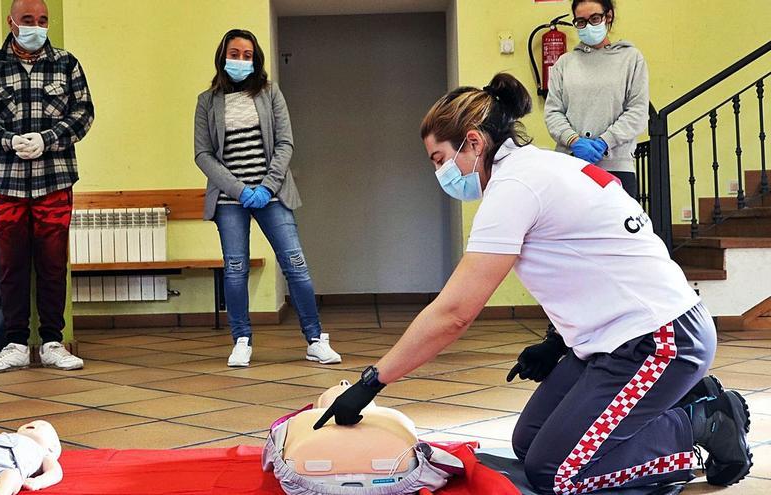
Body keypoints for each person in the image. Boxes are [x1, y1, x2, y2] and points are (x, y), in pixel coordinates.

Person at [314, 74, 751, 493]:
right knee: (531, 442)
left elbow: (453, 313)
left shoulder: (515, 187)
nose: (441, 173)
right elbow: (590, 263)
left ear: (472, 141)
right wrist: (556, 342)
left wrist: (371, 383)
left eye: (440, 159)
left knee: (557, 473)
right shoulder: (537, 168)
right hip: (614, 338)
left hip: (660, 339)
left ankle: (704, 419)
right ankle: (670, 405)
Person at [193, 29, 341, 368]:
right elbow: (203, 154)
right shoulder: (207, 101)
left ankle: (315, 339)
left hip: (271, 195)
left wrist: (266, 187)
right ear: (222, 56)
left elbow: (285, 143)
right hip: (231, 200)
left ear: (256, 59)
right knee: (234, 269)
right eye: (235, 53)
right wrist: (240, 190)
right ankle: (241, 340)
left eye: (247, 55)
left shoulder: (270, 93)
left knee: (295, 264)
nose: (241, 60)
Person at [0, 0, 93, 373]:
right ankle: (15, 344)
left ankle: (53, 341)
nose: (37, 26)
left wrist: (48, 139)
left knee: (53, 265)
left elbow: (84, 113)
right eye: (29, 20)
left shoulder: (66, 63)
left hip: (55, 181)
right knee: (11, 267)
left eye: (43, 20)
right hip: (5, 183)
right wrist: (6, 140)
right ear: (12, 22)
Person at [544, 0, 649, 199]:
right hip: (570, 164)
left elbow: (637, 111)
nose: (588, 25)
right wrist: (574, 140)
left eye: (594, 18)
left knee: (615, 229)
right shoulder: (564, 63)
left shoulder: (631, 58)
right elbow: (553, 112)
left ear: (608, 16)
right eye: (581, 22)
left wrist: (604, 142)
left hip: (616, 166)